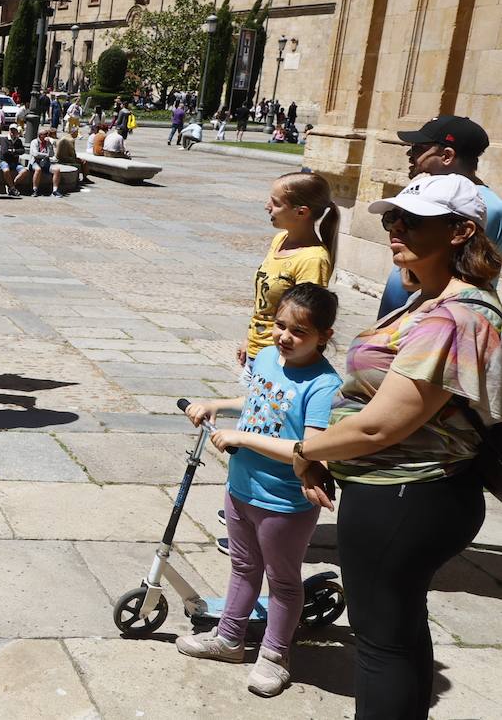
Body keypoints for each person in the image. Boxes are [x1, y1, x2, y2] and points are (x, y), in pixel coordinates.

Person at [293, 174, 500, 719]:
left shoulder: (452, 316)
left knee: (380, 644)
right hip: (401, 492)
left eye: (413, 220)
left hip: (406, 494)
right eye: (392, 219)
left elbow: (377, 429)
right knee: (399, 629)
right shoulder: (426, 299)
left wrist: (306, 452)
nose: (395, 229)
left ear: (461, 231)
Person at [178, 284, 342, 697]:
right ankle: (230, 639)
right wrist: (219, 405)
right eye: (279, 325)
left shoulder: (324, 385)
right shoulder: (269, 356)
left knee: (283, 581)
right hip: (241, 487)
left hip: (284, 501)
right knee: (242, 567)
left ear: (324, 336)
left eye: (298, 332)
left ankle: (275, 655)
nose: (284, 337)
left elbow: (309, 448)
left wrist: (243, 439)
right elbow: (258, 400)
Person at [378, 116, 501, 317]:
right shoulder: (431, 195)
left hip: (429, 320)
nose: (410, 154)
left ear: (446, 155)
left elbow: (411, 280)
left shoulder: (479, 205)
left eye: (418, 148)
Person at [238, 172, 338, 380]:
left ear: (301, 212)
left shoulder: (313, 259)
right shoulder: (280, 239)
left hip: (280, 360)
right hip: (257, 353)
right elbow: (264, 303)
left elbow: (307, 320)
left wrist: (288, 367)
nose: (267, 206)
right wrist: (249, 339)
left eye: (275, 203)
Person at [0, 124, 26, 197]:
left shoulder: (18, 141)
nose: (12, 132)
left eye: (14, 130)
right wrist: (15, 152)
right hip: (4, 161)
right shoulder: (4, 139)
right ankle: (13, 188)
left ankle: (11, 186)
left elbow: (22, 151)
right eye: (11, 130)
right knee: (6, 170)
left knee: (24, 171)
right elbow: (4, 152)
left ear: (17, 131)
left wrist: (12, 151)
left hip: (14, 162)